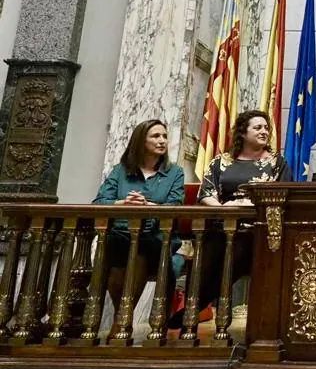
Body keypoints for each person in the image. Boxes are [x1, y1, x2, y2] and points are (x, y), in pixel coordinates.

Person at [173, 110, 292, 329]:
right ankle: (194, 306)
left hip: (258, 229)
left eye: (266, 128)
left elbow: (283, 196)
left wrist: (252, 205)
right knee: (209, 251)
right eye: (258, 128)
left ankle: (198, 304)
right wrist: (224, 209)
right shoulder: (221, 161)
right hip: (221, 225)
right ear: (243, 132)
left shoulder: (277, 162)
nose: (264, 132)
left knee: (238, 248)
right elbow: (205, 194)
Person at [93, 119, 185, 311]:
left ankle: (121, 322)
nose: (162, 141)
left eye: (165, 136)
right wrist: (124, 203)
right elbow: (100, 201)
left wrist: (147, 205)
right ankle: (121, 319)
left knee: (142, 247)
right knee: (114, 248)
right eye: (155, 136)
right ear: (141, 141)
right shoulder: (121, 171)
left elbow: (176, 205)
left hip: (156, 236)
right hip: (121, 234)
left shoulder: (175, 172)